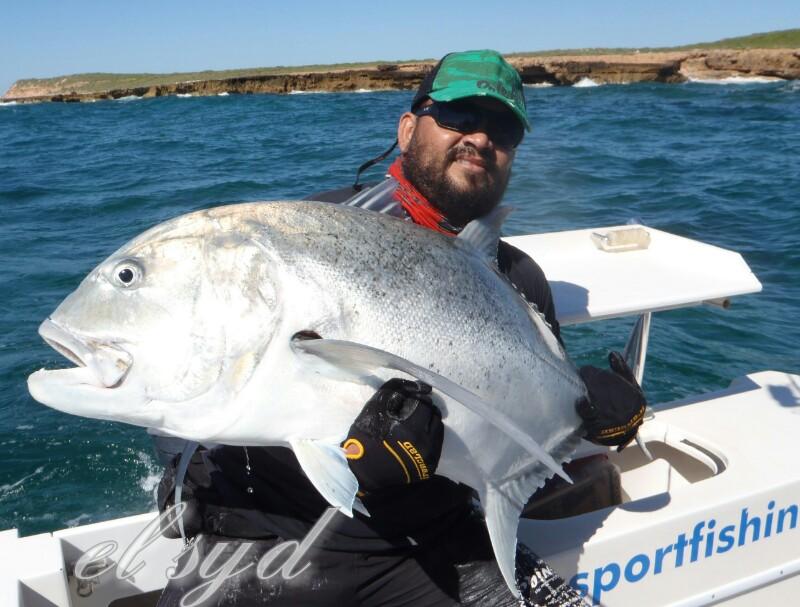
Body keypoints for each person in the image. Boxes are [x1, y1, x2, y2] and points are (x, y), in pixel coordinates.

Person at [155, 49, 646, 607]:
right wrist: (347, 452)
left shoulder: (517, 280)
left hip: (433, 544)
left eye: (503, 129)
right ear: (408, 128)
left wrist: (596, 419)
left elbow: (521, 427)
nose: (481, 139)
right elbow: (205, 377)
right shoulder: (311, 238)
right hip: (269, 537)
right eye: (460, 116)